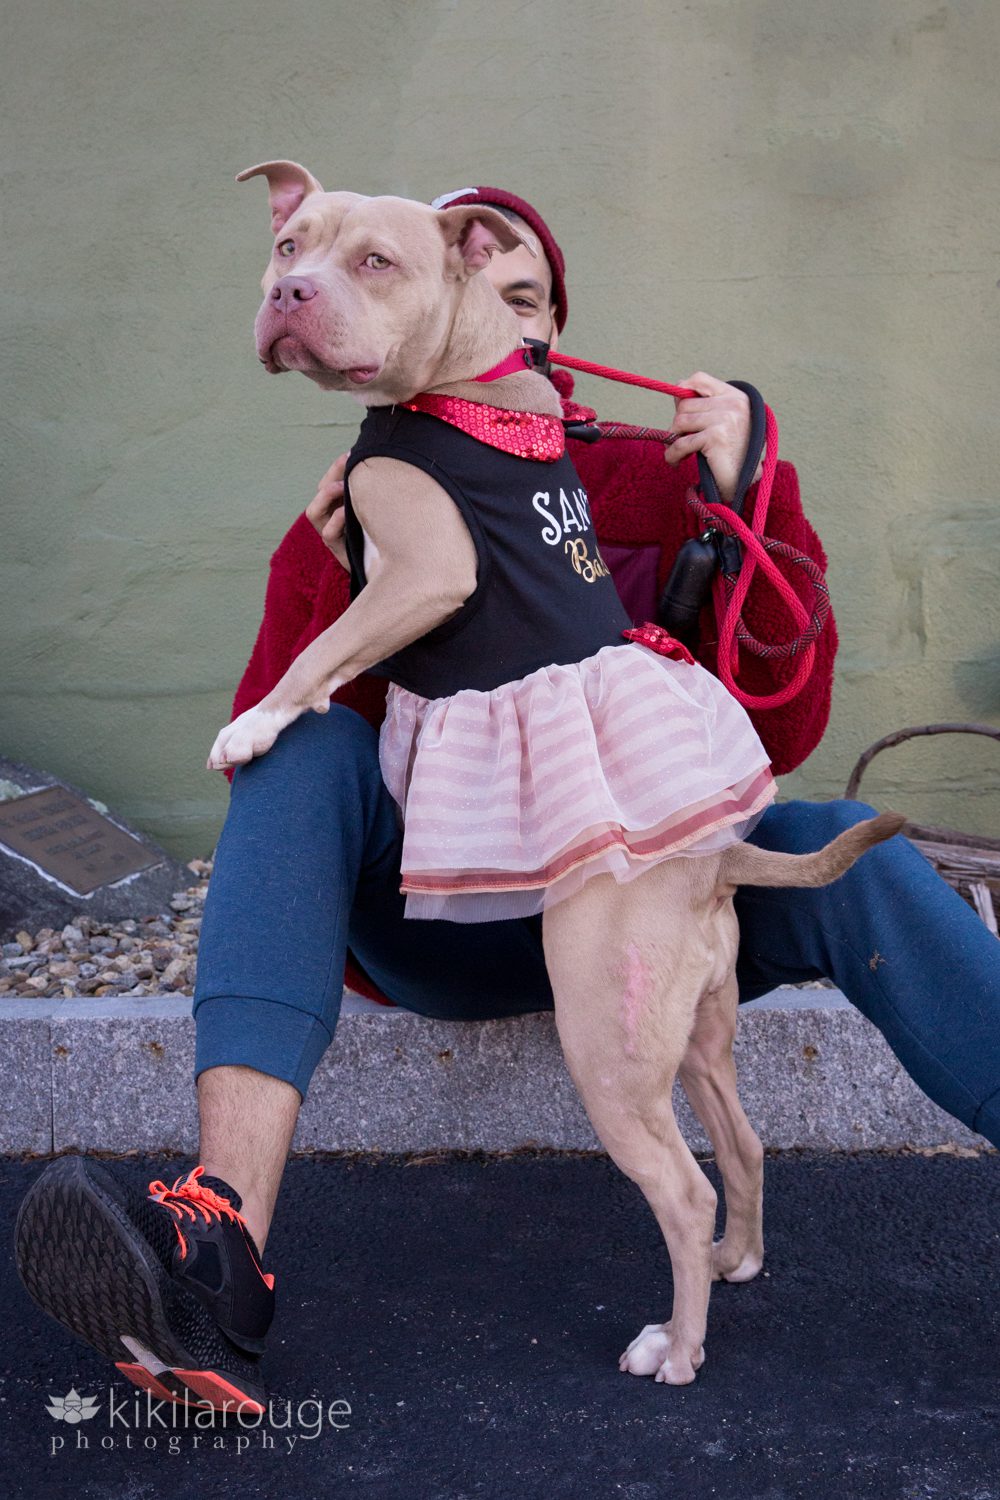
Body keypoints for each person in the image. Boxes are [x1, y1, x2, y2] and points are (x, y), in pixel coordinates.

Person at [15, 187, 1000, 1414]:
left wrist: (753, 503)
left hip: (637, 906)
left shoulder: (646, 474)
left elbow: (782, 730)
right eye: (477, 291)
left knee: (845, 855)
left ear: (544, 325)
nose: (499, 318)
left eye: (523, 298)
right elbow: (268, 720)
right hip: (453, 910)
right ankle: (218, 1251)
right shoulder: (392, 473)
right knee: (296, 753)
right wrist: (326, 578)